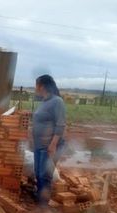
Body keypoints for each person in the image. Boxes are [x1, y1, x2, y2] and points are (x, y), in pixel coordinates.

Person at [32, 74, 66, 204]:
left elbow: (60, 124)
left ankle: (43, 207)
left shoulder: (57, 101)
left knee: (44, 175)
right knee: (38, 173)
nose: (35, 88)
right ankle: (40, 199)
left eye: (36, 85)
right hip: (39, 144)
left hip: (49, 145)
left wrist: (53, 145)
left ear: (42, 86)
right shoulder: (44, 102)